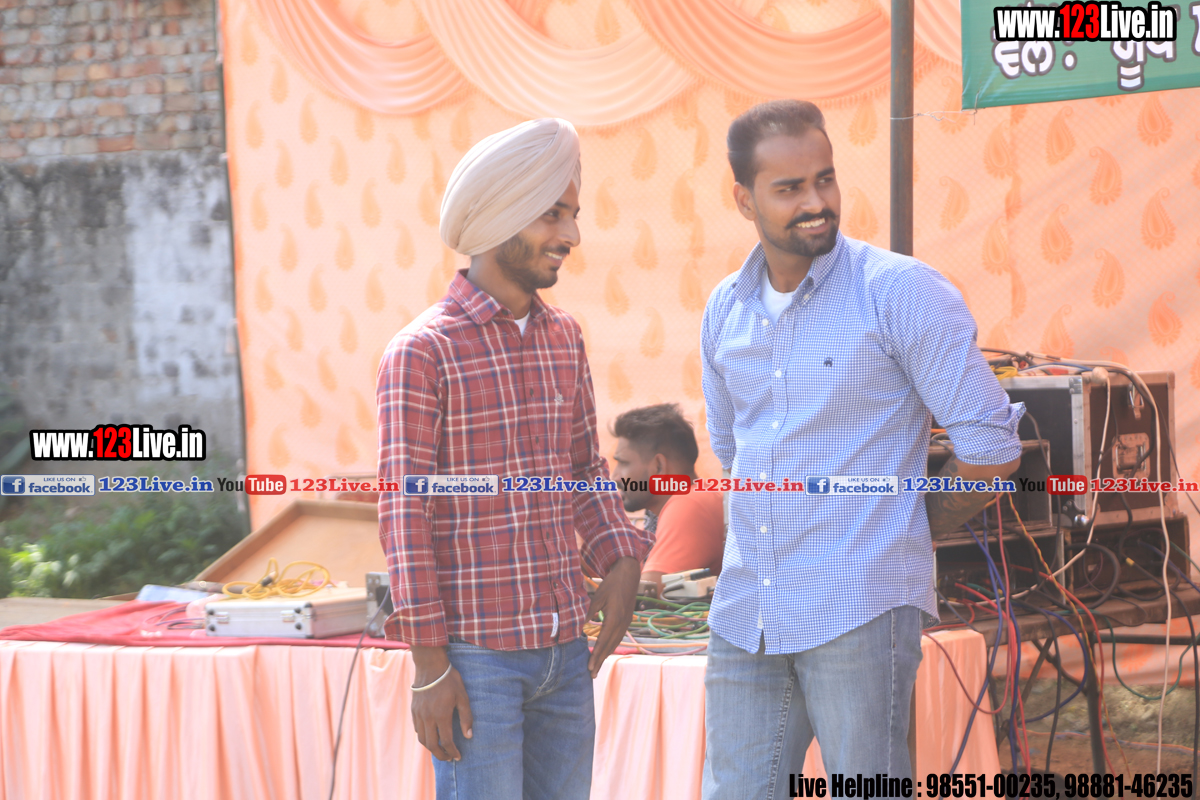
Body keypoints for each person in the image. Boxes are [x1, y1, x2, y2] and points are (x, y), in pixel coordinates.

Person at [699, 100, 1024, 795]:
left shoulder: (899, 291)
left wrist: (913, 522)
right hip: (748, 611)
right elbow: (732, 452)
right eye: (789, 188)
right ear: (743, 199)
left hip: (860, 604)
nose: (816, 203)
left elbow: (991, 448)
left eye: (825, 179)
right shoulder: (725, 306)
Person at [376, 117, 651, 800]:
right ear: (499, 217)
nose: (571, 235)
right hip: (476, 661)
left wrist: (621, 556)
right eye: (552, 214)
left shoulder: (565, 338)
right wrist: (431, 666)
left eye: (573, 214)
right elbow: (405, 516)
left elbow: (584, 470)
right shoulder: (423, 352)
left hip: (565, 652)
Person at [609, 403, 724, 596]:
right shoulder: (670, 508)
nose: (615, 476)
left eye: (623, 463)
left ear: (658, 467)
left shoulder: (689, 504)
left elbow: (643, 597)